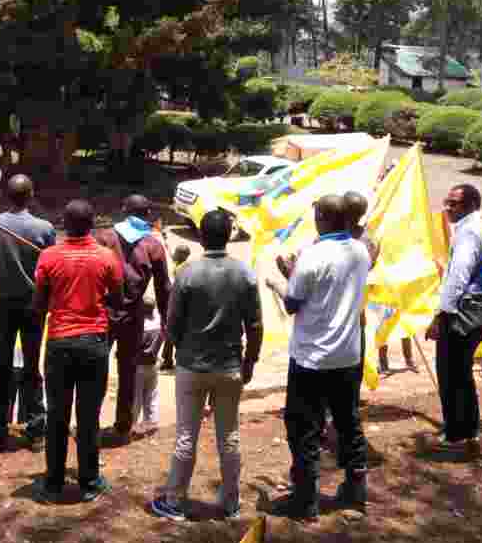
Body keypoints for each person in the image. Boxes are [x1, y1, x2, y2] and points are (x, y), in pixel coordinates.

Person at [152, 209, 263, 522]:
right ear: (229, 236)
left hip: (192, 366)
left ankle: (174, 501)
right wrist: (250, 360)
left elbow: (171, 325)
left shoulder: (188, 274)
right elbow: (255, 325)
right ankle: (230, 502)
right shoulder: (244, 274)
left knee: (186, 435)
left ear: (201, 237)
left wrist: (177, 351)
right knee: (229, 436)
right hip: (229, 366)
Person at [264, 195, 369, 519]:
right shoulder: (360, 250)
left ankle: (306, 498)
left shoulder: (313, 255)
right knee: (348, 420)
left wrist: (280, 282)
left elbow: (294, 304)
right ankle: (355, 489)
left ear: (321, 218)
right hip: (347, 354)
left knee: (303, 426)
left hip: (312, 357)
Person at [34, 200, 123, 503]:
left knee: (57, 414)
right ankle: (88, 481)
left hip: (60, 342)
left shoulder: (48, 257)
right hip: (94, 343)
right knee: (89, 415)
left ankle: (54, 482)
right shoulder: (107, 257)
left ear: (64, 222)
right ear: (93, 224)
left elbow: (39, 304)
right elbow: (118, 299)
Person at [0, 174, 56, 453]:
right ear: (31, 194)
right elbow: (51, 265)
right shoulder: (44, 228)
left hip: (4, 305)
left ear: (6, 196)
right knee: (33, 366)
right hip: (33, 305)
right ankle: (36, 432)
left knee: (1, 366)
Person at [426, 183, 482, 457]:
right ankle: (468, 429)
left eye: (453, 203)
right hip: (477, 311)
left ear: (470, 205)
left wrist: (440, 315)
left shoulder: (469, 231)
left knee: (451, 373)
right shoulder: (481, 228)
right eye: (447, 202)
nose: (448, 208)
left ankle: (456, 434)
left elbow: (458, 278)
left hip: (461, 313)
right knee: (462, 373)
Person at [95, 195, 172, 445]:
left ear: (123, 209)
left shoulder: (105, 237)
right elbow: (164, 288)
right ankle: (122, 427)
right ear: (148, 213)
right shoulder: (153, 245)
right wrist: (166, 322)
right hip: (132, 316)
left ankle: (90, 424)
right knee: (127, 372)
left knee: (97, 369)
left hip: (103, 313)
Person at [132, 296, 163, 438]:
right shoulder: (158, 324)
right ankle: (152, 423)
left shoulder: (141, 327)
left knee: (136, 396)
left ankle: (132, 424)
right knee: (152, 395)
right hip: (153, 364)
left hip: (139, 366)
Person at [159, 244, 192, 371]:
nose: (175, 255)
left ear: (182, 255)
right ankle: (170, 359)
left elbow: (178, 289)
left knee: (171, 334)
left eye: (177, 253)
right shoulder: (184, 265)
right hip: (184, 305)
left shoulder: (181, 269)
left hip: (180, 306)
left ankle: (169, 360)